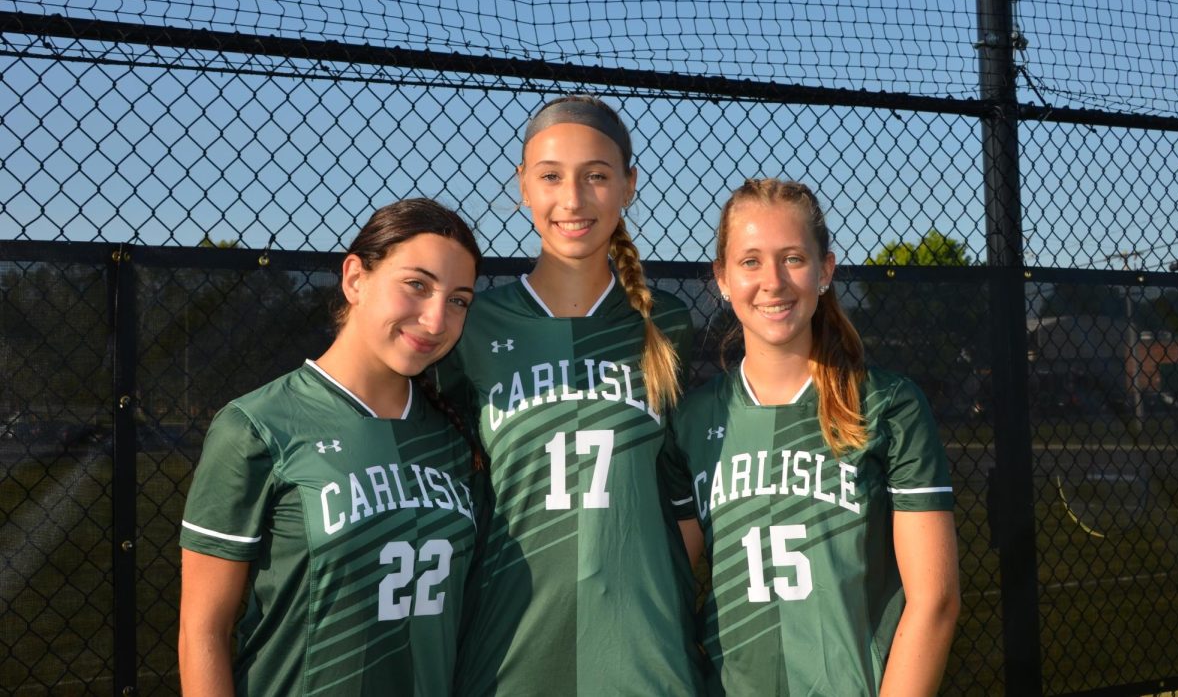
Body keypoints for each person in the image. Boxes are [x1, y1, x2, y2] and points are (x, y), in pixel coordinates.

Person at [443, 95, 703, 695]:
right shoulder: (472, 326)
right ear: (523, 187)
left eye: (597, 176)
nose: (573, 199)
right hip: (508, 640)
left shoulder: (666, 323)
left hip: (644, 645)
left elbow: (676, 490)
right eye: (551, 176)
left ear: (629, 186)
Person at [178, 198, 485, 696]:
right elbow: (202, 631)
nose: (435, 320)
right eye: (417, 285)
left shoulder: (455, 435)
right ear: (355, 279)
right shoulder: (256, 425)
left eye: (458, 300)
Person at [665, 178, 960, 696]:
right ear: (723, 279)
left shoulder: (888, 405)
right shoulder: (691, 422)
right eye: (750, 261)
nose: (773, 282)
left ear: (824, 271)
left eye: (794, 258)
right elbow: (665, 590)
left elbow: (935, 600)